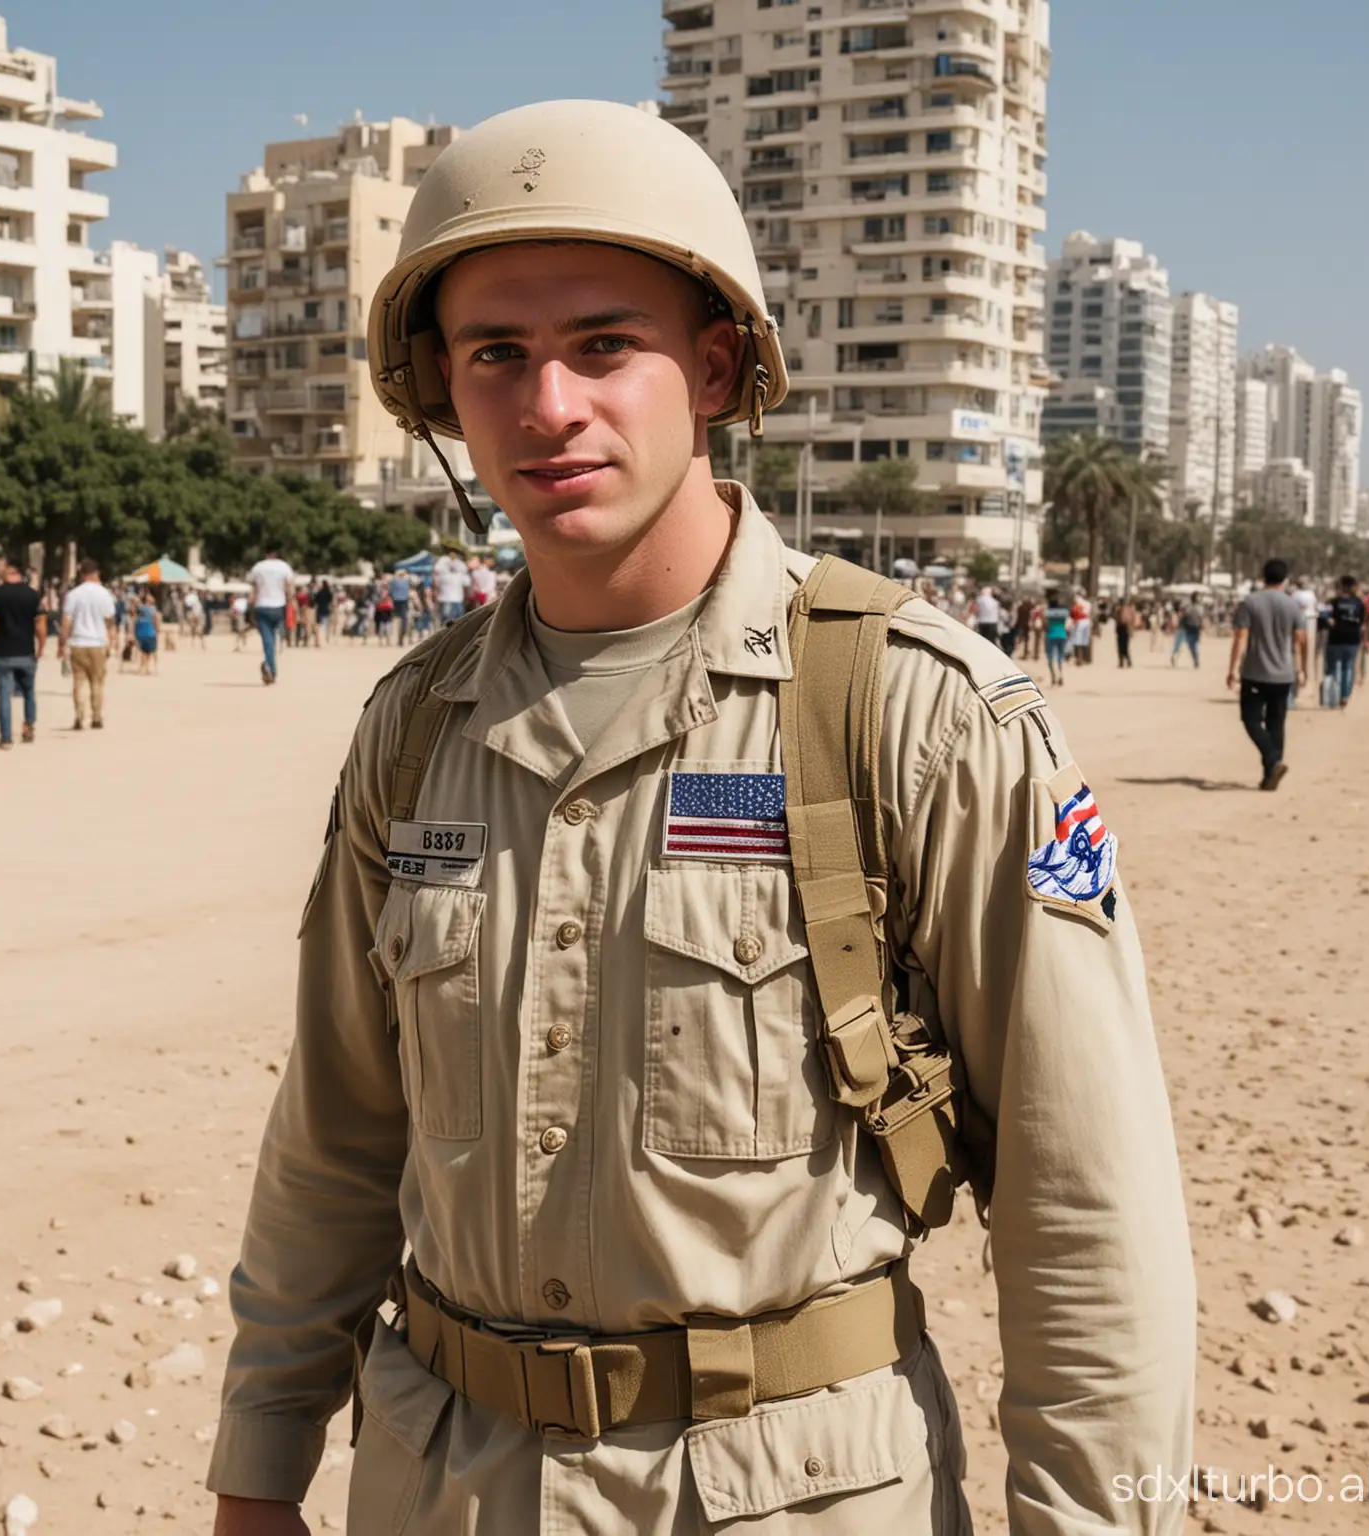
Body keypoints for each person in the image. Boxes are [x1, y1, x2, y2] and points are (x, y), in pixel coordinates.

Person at [206, 101, 1193, 1536]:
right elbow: (338, 1133)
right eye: (497, 355)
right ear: (442, 391)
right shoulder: (416, 731)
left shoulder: (911, 712)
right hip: (439, 1487)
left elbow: (1087, 1201)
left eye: (606, 344)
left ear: (716, 364)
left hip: (784, 1496)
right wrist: (260, 1462)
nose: (550, 407)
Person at [1228, 558, 1307, 791]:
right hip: (1284, 673)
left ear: (1263, 576)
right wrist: (1302, 669)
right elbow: (1300, 640)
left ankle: (1272, 761)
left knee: (1251, 719)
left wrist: (1232, 669)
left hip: (1255, 672)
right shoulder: (1293, 605)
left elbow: (1240, 637)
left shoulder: (1250, 602)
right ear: (1285, 579)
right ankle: (1270, 773)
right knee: (1276, 723)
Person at [0, 557, 46, 750]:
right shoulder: (33, 595)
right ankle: (28, 727)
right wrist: (41, 646)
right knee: (29, 692)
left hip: (3, 651)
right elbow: (40, 625)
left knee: (4, 694)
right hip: (26, 650)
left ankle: (6, 737)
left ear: (9, 571)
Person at [61, 559, 118, 729]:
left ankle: (79, 715)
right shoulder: (105, 594)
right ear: (97, 573)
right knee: (97, 682)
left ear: (81, 575)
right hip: (98, 642)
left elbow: (66, 620)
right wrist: (112, 642)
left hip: (78, 641)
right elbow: (110, 621)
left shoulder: (73, 594)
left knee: (79, 682)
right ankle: (96, 716)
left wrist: (64, 641)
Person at [248, 548, 295, 684]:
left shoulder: (258, 567)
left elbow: (254, 589)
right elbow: (289, 589)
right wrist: (291, 605)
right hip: (279, 606)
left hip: (262, 606)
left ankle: (269, 666)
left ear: (266, 554)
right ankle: (271, 670)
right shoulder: (284, 567)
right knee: (273, 639)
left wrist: (251, 609)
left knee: (267, 639)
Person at [1322, 574, 1368, 708]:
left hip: (1335, 638)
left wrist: (1329, 620)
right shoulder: (1359, 603)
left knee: (1335, 668)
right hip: (1353, 639)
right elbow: (1363, 621)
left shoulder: (1333, 602)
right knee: (1348, 667)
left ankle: (1335, 696)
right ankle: (1345, 696)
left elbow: (1323, 614)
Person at [1040, 586, 1070, 686]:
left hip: (1051, 636)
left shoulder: (1048, 612)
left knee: (1050, 657)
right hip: (1062, 635)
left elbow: (1045, 625)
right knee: (1060, 657)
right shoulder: (1064, 612)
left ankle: (1053, 676)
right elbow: (1066, 622)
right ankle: (1061, 675)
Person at [432, 546, 469, 624]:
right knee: (451, 623)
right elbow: (436, 580)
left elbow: (466, 583)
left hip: (456, 599)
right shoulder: (442, 563)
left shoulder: (460, 565)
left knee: (456, 623)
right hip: (447, 599)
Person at [1170, 596, 1203, 668]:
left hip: (1182, 628)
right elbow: (1200, 620)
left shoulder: (1187, 608)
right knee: (1193, 646)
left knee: (1177, 645)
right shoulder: (1199, 608)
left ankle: (1174, 657)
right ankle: (1196, 661)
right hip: (1191, 629)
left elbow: (1181, 618)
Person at [134, 591, 161, 674]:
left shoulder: (142, 608)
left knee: (145, 651)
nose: (152, 598)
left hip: (143, 631)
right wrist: (157, 630)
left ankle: (144, 668)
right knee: (147, 651)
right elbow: (155, 619)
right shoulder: (150, 608)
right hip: (148, 632)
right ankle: (145, 668)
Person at [1113, 596, 1137, 668]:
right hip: (1125, 628)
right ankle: (1125, 661)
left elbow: (1117, 619)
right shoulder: (1129, 610)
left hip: (1123, 628)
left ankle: (1123, 661)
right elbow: (1132, 621)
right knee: (1124, 646)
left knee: (1122, 646)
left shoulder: (1121, 609)